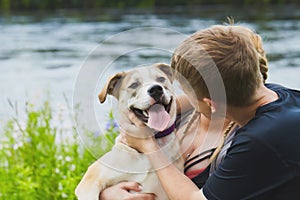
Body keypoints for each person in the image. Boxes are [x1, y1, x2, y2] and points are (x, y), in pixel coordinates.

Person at [120, 23, 300, 199]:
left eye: (186, 91)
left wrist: (148, 146)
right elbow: (187, 103)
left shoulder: (256, 141)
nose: (182, 97)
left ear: (211, 104)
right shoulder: (279, 95)